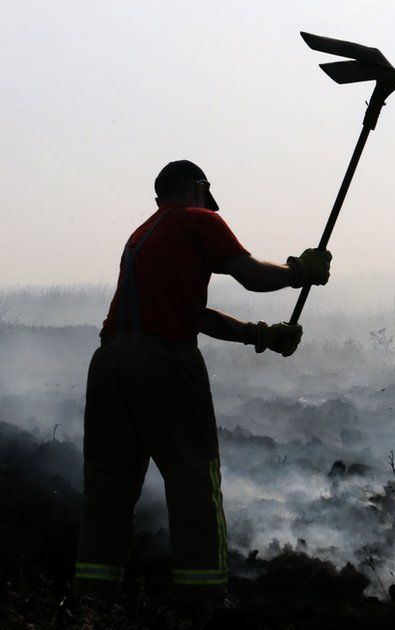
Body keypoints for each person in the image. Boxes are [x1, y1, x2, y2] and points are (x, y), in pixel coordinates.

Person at [74, 160, 331, 605]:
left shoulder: (141, 236)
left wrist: (259, 335)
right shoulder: (198, 220)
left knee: (108, 490)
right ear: (199, 190)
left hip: (109, 363)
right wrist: (298, 273)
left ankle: (92, 605)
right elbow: (249, 273)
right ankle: (203, 606)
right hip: (163, 364)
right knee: (194, 483)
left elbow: (195, 314)